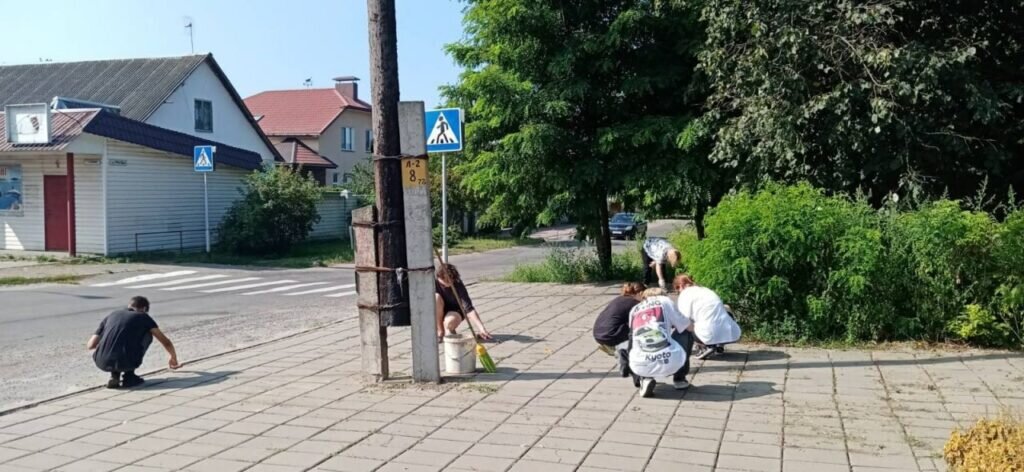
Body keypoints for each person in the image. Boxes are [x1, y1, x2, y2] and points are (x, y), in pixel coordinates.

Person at [87, 296, 179, 389]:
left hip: (102, 362)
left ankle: (114, 375)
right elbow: (165, 341)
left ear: (129, 305)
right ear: (144, 308)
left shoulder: (112, 315)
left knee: (116, 338)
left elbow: (91, 345)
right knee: (147, 335)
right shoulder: (143, 317)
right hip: (127, 361)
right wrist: (173, 357)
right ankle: (129, 376)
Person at [627, 288, 694, 397]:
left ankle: (645, 378)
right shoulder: (665, 301)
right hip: (669, 361)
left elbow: (631, 337)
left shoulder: (634, 310)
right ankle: (679, 379)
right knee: (684, 332)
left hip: (639, 364)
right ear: (664, 295)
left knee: (638, 340)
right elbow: (689, 327)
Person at [674, 274, 741, 360]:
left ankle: (705, 346)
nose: (678, 292)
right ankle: (719, 345)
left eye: (677, 289)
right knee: (725, 308)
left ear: (681, 285)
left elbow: (683, 318)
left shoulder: (685, 294)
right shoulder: (706, 290)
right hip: (732, 333)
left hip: (708, 333)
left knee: (684, 325)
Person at [593, 282, 646, 376]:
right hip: (610, 335)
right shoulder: (634, 303)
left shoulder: (620, 298)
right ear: (640, 293)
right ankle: (622, 349)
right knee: (640, 328)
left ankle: (615, 347)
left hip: (599, 333)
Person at [435, 264, 493, 341]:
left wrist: (481, 328)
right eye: (446, 281)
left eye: (451, 281)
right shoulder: (432, 282)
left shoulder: (458, 284)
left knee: (449, 323)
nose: (450, 283)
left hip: (455, 311)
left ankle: (448, 329)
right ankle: (440, 331)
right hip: (437, 311)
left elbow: (469, 309)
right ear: (439, 277)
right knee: (436, 297)